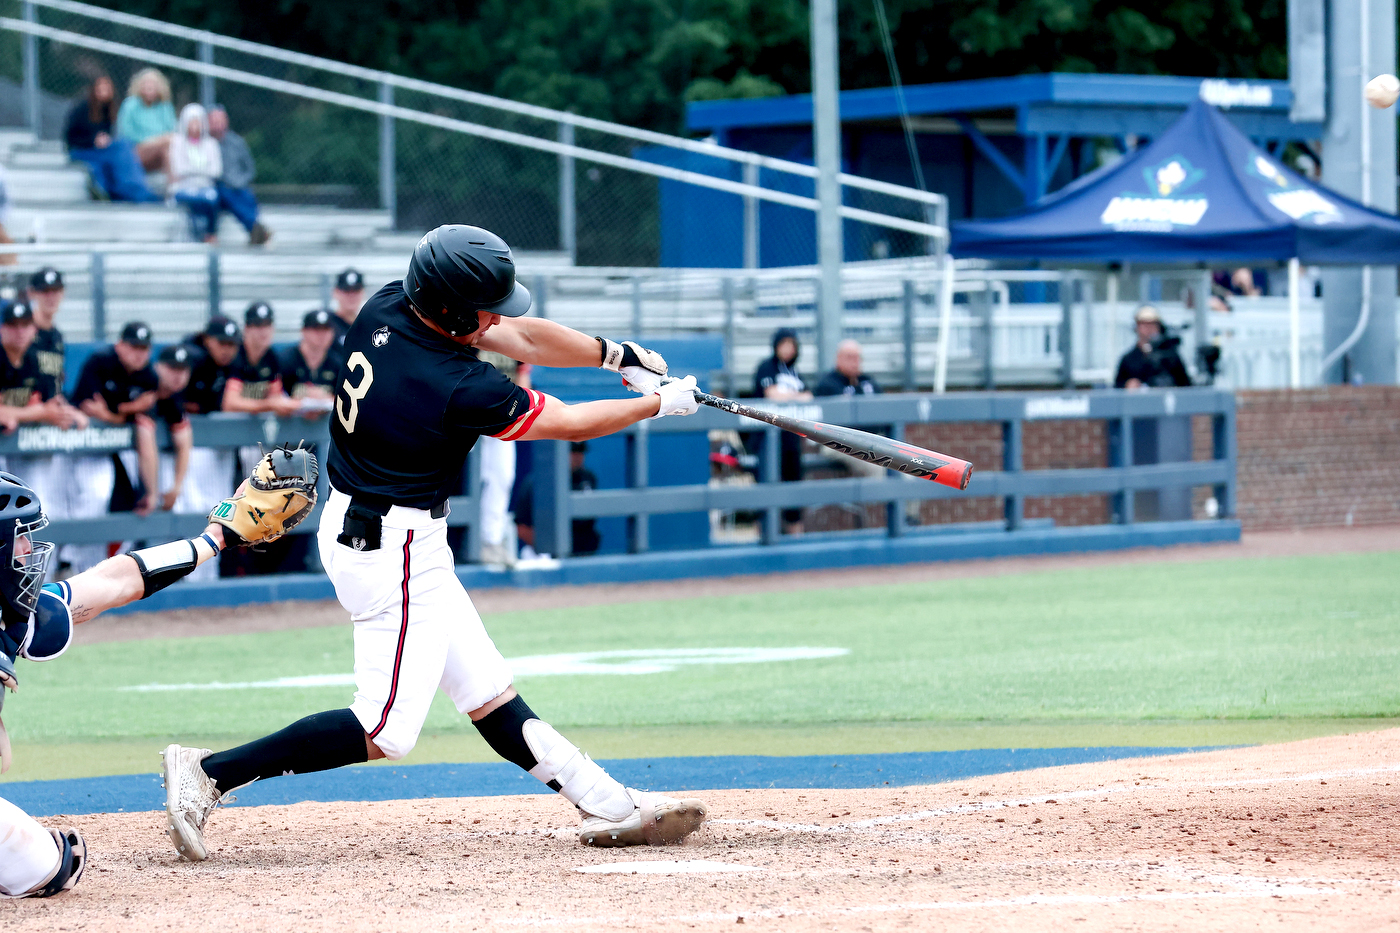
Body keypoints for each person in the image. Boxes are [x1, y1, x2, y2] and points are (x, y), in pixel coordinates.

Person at [161, 224, 706, 862]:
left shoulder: (389, 304)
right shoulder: (457, 384)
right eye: (483, 309)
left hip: (383, 531)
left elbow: (520, 334)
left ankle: (610, 805)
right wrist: (658, 405)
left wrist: (616, 355)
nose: (496, 318)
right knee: (384, 729)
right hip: (391, 546)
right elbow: (564, 421)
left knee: (486, 693)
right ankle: (211, 772)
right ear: (451, 309)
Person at [0, 448, 299, 895]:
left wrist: (214, 540)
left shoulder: (13, 614)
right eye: (17, 537)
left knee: (52, 864)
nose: (29, 550)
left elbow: (112, 584)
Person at [73, 322, 159, 530]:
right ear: (120, 345)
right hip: (80, 445)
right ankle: (68, 559)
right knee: (82, 504)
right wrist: (127, 410)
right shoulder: (100, 362)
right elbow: (89, 408)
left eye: (143, 348)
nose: (139, 354)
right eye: (133, 347)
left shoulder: (148, 375)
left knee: (121, 504)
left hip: (122, 449)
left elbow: (141, 417)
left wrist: (112, 413)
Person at [63, 74, 159, 204]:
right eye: (101, 87)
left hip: (98, 151)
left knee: (116, 155)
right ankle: (137, 192)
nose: (104, 91)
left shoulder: (107, 110)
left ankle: (116, 192)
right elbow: (69, 139)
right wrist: (93, 141)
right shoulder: (82, 108)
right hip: (81, 151)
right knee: (123, 146)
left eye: (107, 88)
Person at [753, 327, 811, 535]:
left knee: (794, 494)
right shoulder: (766, 367)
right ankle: (765, 539)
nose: (788, 349)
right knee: (766, 493)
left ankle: (796, 541)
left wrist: (789, 396)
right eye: (784, 344)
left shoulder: (795, 372)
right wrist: (795, 396)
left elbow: (809, 397)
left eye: (792, 345)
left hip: (791, 440)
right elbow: (771, 395)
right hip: (767, 440)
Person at [476, 350, 529, 567]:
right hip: (465, 415)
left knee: (502, 478)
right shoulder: (468, 325)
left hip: (502, 419)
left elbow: (523, 376)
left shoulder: (513, 335)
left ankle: (492, 542)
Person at [207, 106, 271, 246]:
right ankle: (255, 228)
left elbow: (250, 170)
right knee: (226, 192)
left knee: (246, 195)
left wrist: (239, 182)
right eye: (214, 120)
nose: (217, 124)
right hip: (218, 186)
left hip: (238, 186)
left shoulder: (237, 142)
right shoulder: (206, 143)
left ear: (226, 121)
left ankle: (255, 230)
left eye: (220, 120)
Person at [222, 302, 297, 418]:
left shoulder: (271, 356)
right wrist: (268, 405)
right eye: (257, 325)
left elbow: (275, 397)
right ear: (246, 328)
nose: (263, 331)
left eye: (267, 325)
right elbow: (230, 404)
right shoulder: (237, 355)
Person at [168, 104, 222, 244]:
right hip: (184, 187)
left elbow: (216, 171)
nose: (195, 125)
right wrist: (202, 170)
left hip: (205, 187)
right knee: (193, 200)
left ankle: (209, 233)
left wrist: (193, 170)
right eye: (192, 121)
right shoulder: (177, 143)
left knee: (211, 199)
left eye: (198, 121)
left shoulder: (211, 144)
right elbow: (179, 169)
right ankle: (198, 234)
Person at [151, 344, 194, 512]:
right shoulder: (143, 384)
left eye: (183, 370)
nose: (178, 375)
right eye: (172, 368)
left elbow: (184, 442)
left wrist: (177, 486)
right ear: (158, 367)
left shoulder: (174, 398)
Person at [1114, 305, 1192, 390]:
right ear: (1137, 327)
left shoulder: (1170, 357)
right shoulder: (1129, 359)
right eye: (1144, 324)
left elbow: (1186, 385)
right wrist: (1128, 385)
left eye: (1153, 324)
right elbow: (1117, 388)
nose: (1149, 329)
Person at [279, 309, 343, 408]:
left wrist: (325, 400)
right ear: (304, 331)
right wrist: (300, 403)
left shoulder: (337, 363)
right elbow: (274, 398)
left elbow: (345, 400)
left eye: (326, 330)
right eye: (316, 330)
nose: (322, 335)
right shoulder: (286, 360)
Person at [115, 67, 176, 174]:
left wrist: (158, 142)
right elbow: (125, 133)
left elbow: (172, 129)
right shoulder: (130, 105)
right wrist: (152, 141)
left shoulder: (165, 106)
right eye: (146, 85)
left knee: (167, 148)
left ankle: (174, 187)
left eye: (152, 85)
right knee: (167, 141)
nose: (149, 88)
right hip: (136, 151)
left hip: (162, 147)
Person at [814, 339, 881, 397]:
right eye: (850, 357)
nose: (855, 362)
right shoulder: (827, 385)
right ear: (838, 358)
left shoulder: (867, 381)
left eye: (858, 358)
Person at [569, 441, 601, 555]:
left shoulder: (589, 477)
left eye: (580, 452)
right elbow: (523, 525)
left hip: (585, 548)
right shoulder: (541, 482)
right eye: (573, 452)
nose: (577, 457)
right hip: (548, 553)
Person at [329, 268, 367, 345]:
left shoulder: (368, 325)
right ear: (335, 292)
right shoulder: (326, 326)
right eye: (346, 290)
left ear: (363, 293)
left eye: (356, 290)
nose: (351, 296)